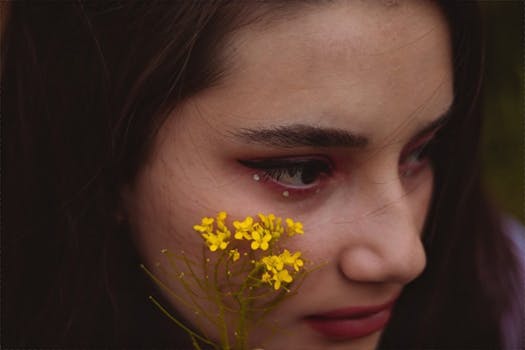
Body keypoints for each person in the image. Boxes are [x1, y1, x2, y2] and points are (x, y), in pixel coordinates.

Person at [2, 1, 523, 349]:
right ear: (104, 159)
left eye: (419, 153)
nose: (405, 256)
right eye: (299, 171)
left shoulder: (506, 298)